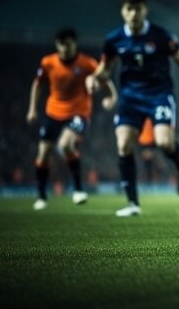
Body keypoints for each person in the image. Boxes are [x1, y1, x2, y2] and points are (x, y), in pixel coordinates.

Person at [87, 0, 179, 217]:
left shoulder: (162, 36)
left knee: (164, 143)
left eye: (138, 9)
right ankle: (132, 203)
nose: (133, 14)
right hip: (130, 98)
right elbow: (104, 69)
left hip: (159, 95)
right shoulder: (114, 39)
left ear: (145, 10)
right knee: (123, 145)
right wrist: (94, 79)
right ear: (123, 12)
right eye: (129, 9)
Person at [26, 27, 117, 210]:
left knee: (65, 145)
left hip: (79, 113)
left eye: (68, 44)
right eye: (61, 44)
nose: (65, 48)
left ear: (75, 44)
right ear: (57, 45)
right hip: (54, 112)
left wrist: (112, 97)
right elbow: (37, 85)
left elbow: (105, 80)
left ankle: (78, 190)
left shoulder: (87, 63)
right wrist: (32, 109)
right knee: (43, 153)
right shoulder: (48, 63)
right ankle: (42, 196)